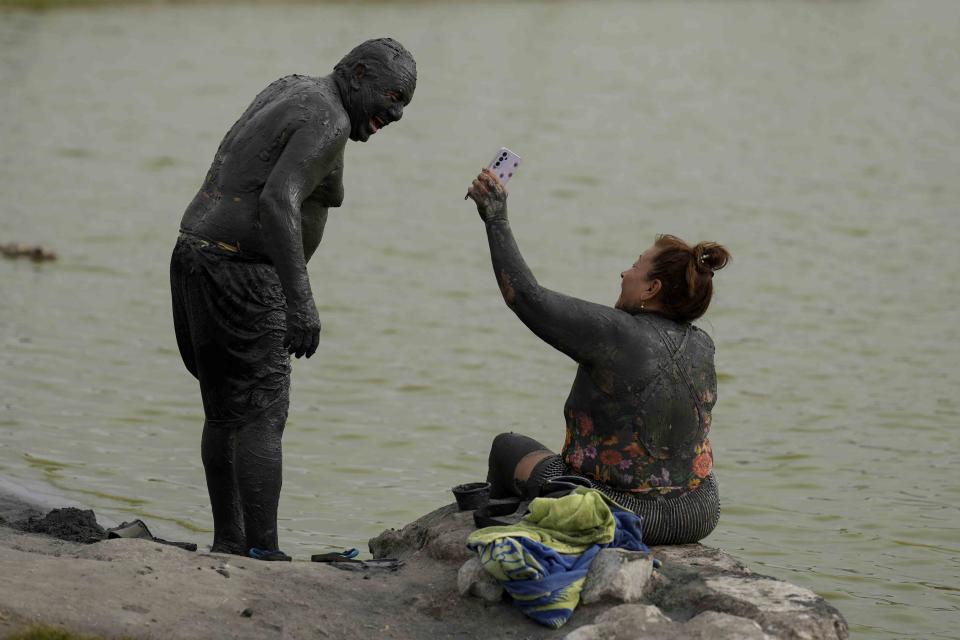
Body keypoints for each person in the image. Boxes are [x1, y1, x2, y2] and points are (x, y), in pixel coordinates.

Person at [170, 38, 416, 557]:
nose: (394, 114)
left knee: (223, 412)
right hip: (240, 269)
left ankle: (230, 544)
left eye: (403, 105)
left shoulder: (293, 89)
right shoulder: (330, 118)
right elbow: (278, 200)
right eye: (391, 96)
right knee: (262, 412)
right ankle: (264, 551)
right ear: (357, 73)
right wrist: (300, 301)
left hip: (196, 252)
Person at [465, 169, 730, 545]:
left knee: (507, 447)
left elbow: (525, 297)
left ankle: (505, 538)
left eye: (636, 266)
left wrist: (496, 217)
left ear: (652, 288)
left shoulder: (617, 332)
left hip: (616, 511)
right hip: (697, 512)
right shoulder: (703, 343)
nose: (624, 272)